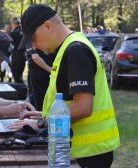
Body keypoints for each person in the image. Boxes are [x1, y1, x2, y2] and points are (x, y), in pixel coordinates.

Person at [11, 4, 120, 167]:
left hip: (89, 152)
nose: (33, 46)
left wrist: (41, 123)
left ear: (48, 26)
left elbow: (83, 107)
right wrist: (42, 115)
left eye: (33, 39)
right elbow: (68, 101)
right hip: (83, 150)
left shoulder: (75, 50)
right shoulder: (71, 46)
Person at [25, 44, 55, 111]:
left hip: (43, 74)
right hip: (39, 73)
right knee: (37, 103)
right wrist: (50, 70)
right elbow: (35, 57)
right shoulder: (31, 38)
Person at [9, 17, 26, 83]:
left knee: (16, 76)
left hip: (16, 56)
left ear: (13, 23)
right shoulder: (24, 31)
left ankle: (21, 91)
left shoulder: (14, 33)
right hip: (23, 55)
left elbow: (10, 45)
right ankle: (21, 90)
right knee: (20, 75)